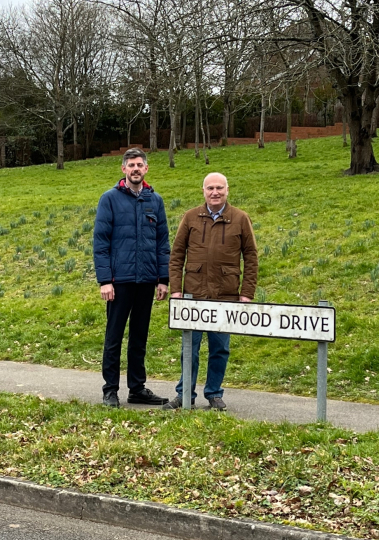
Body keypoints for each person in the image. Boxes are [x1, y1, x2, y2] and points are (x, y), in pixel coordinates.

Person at [164, 172, 258, 411]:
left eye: (219, 188)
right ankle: (185, 394)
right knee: (189, 349)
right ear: (203, 191)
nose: (214, 192)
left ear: (227, 190)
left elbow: (251, 257)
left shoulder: (240, 218)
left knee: (220, 349)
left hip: (225, 296)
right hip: (192, 297)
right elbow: (176, 256)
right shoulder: (190, 217)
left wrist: (246, 293)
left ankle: (214, 393)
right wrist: (176, 290)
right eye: (210, 188)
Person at [93, 147, 170, 408]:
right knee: (113, 337)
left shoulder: (154, 200)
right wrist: (105, 280)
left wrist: (163, 278)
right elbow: (100, 242)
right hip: (119, 282)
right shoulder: (110, 199)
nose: (135, 169)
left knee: (139, 337)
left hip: (147, 280)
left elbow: (162, 242)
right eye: (131, 165)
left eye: (140, 165)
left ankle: (137, 388)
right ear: (123, 169)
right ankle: (110, 390)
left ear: (146, 169)